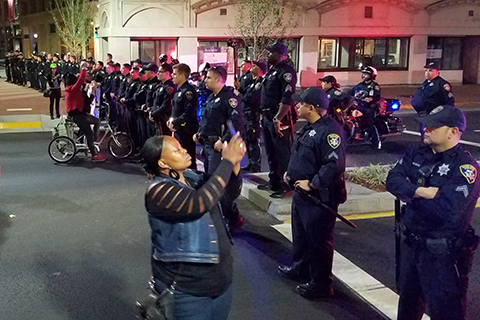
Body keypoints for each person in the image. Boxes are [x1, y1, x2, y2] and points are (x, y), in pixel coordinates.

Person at [386, 105, 480, 320]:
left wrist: (410, 196)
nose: (425, 129)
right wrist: (421, 191)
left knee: (445, 310)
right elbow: (392, 180)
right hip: (411, 245)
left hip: (442, 255)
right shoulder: (419, 154)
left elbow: (445, 211)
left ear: (453, 131)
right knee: (408, 304)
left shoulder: (465, 168)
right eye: (425, 124)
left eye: (433, 125)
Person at [141, 133, 245, 320]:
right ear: (163, 163)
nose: (185, 151)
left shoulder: (191, 177)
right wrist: (227, 162)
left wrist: (235, 164)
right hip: (188, 289)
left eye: (181, 147)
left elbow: (226, 193)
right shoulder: (157, 190)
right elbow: (199, 203)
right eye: (177, 150)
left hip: (221, 281)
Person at [278, 87, 347, 300]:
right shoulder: (310, 127)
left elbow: (334, 165)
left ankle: (321, 284)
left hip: (319, 197)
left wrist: (314, 184)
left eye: (300, 104)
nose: (296, 107)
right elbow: (303, 156)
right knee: (301, 235)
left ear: (311, 108)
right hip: (301, 194)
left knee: (318, 241)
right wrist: (290, 174)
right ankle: (300, 269)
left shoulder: (330, 131)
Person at [194, 65, 245, 232]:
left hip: (219, 148)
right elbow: (207, 121)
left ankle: (233, 218)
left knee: (219, 185)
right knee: (211, 181)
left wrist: (223, 140)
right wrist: (199, 133)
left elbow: (237, 123)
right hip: (208, 145)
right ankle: (219, 215)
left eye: (208, 77)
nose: (205, 80)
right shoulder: (211, 97)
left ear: (218, 79)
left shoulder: (229, 98)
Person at [258, 42, 297, 198]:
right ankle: (274, 181)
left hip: (279, 117)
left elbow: (287, 98)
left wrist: (278, 118)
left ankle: (287, 185)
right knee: (271, 152)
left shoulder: (287, 73)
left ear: (282, 55)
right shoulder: (272, 71)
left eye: (272, 52)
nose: (269, 55)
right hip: (268, 116)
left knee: (283, 152)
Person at [65, 64, 105, 162]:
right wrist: (83, 69)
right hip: (76, 115)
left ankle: (93, 140)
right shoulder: (71, 89)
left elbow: (86, 99)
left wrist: (92, 92)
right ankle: (94, 154)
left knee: (96, 121)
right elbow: (79, 81)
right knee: (88, 133)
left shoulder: (77, 90)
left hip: (81, 113)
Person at [168, 63, 199, 170]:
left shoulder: (188, 91)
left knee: (188, 156)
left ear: (182, 76)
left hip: (187, 129)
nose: (172, 76)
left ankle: (192, 180)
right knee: (180, 155)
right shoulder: (179, 90)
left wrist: (175, 121)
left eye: (175, 74)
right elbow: (175, 109)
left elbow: (188, 113)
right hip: (179, 128)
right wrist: (171, 121)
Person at [239, 60, 267, 173]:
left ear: (260, 70)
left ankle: (256, 165)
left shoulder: (259, 84)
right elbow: (245, 94)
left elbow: (249, 98)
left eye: (255, 66)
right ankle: (250, 163)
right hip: (246, 115)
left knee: (254, 141)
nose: (252, 67)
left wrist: (239, 94)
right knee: (248, 140)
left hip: (253, 116)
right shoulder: (252, 82)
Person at [346, 66, 382, 149]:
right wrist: (343, 94)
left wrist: (370, 99)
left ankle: (376, 142)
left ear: (372, 75)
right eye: (363, 73)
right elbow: (351, 92)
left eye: (366, 74)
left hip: (370, 107)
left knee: (368, 123)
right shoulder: (359, 85)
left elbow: (377, 96)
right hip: (359, 106)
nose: (364, 75)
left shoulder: (375, 86)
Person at [150, 63, 176, 136]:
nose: (158, 73)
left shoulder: (169, 87)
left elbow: (166, 106)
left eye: (160, 72)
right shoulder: (160, 85)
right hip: (158, 118)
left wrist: (153, 114)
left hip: (164, 118)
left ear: (167, 73)